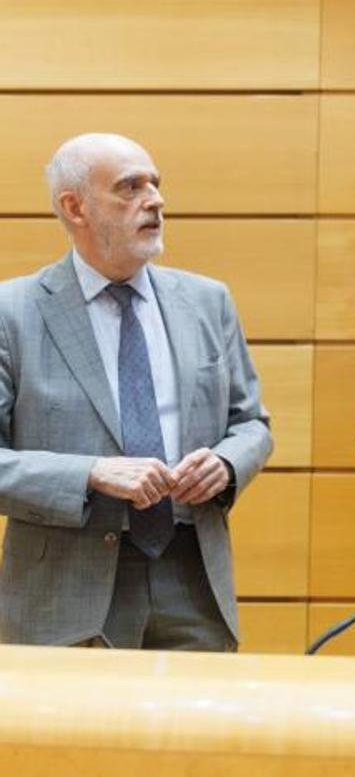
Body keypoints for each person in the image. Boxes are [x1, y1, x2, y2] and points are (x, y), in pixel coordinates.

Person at [0, 133, 273, 650]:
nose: (155, 200)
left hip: (192, 574)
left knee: (197, 729)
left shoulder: (207, 301)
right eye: (130, 187)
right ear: (74, 207)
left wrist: (228, 463)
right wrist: (89, 473)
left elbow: (251, 424)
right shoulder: (12, 313)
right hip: (66, 587)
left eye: (155, 184)